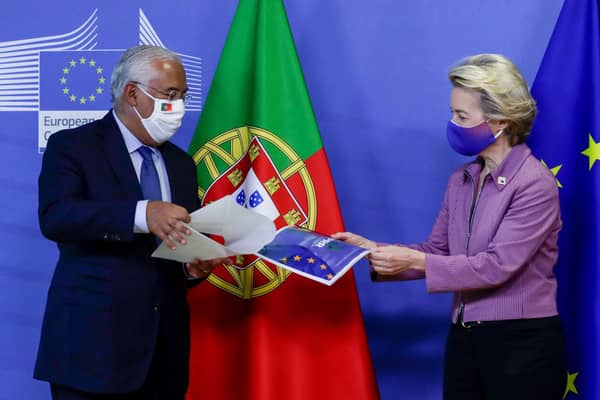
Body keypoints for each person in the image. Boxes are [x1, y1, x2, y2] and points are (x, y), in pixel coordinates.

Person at [333, 54, 567, 400]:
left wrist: (411, 261)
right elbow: (438, 252)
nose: (452, 124)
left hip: (522, 345)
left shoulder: (534, 184)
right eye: (452, 113)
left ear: (501, 119)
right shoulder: (462, 179)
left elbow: (496, 266)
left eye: (462, 116)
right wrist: (371, 251)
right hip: (463, 341)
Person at [34, 45, 226, 400]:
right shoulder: (73, 146)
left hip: (163, 356)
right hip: (92, 354)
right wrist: (141, 214)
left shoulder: (182, 165)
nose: (179, 106)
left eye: (183, 96)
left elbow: (172, 253)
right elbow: (57, 217)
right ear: (133, 93)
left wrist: (191, 271)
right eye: (170, 95)